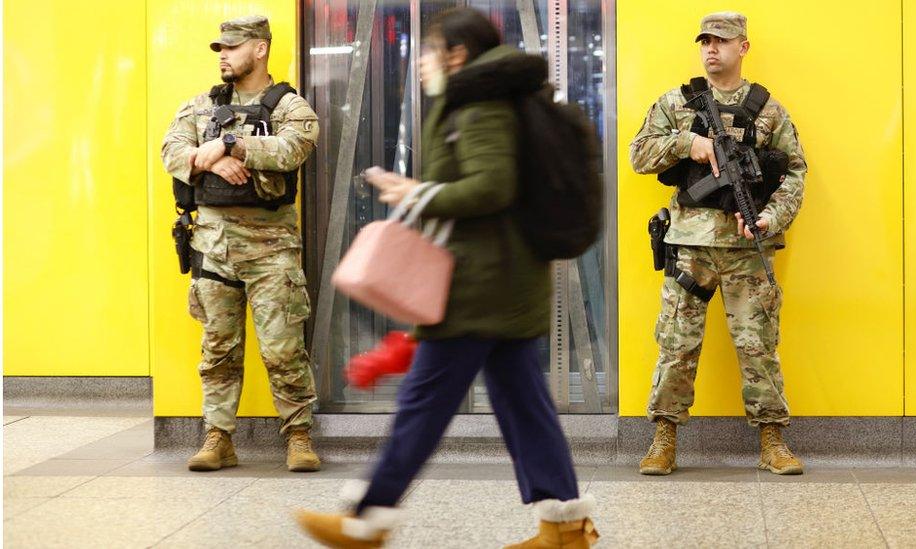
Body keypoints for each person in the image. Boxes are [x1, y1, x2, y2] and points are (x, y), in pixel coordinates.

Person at [295, 8, 599, 548]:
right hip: (504, 284)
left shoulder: (479, 105)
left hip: (478, 289)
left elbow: (492, 187)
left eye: (430, 51)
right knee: (525, 409)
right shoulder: (486, 99)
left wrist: (416, 193)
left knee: (422, 404)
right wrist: (418, 190)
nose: (420, 64)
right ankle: (566, 528)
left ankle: (367, 519)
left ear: (457, 55)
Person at [630, 12, 807, 476]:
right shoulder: (677, 102)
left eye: (722, 41)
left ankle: (772, 440)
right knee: (676, 343)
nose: (712, 49)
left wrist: (770, 217)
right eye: (705, 41)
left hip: (749, 250)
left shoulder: (768, 110)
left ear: (743, 47)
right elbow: (639, 154)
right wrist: (689, 143)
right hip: (689, 246)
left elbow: (794, 172)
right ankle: (663, 439)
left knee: (758, 345)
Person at [161, 15, 322, 473]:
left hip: (272, 250)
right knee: (218, 349)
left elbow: (292, 149)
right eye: (220, 49)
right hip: (213, 249)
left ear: (260, 49)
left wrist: (230, 145)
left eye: (233, 47)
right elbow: (171, 151)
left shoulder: (290, 106)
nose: (224, 55)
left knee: (284, 348)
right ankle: (218, 438)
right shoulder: (198, 107)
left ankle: (298, 436)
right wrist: (208, 162)